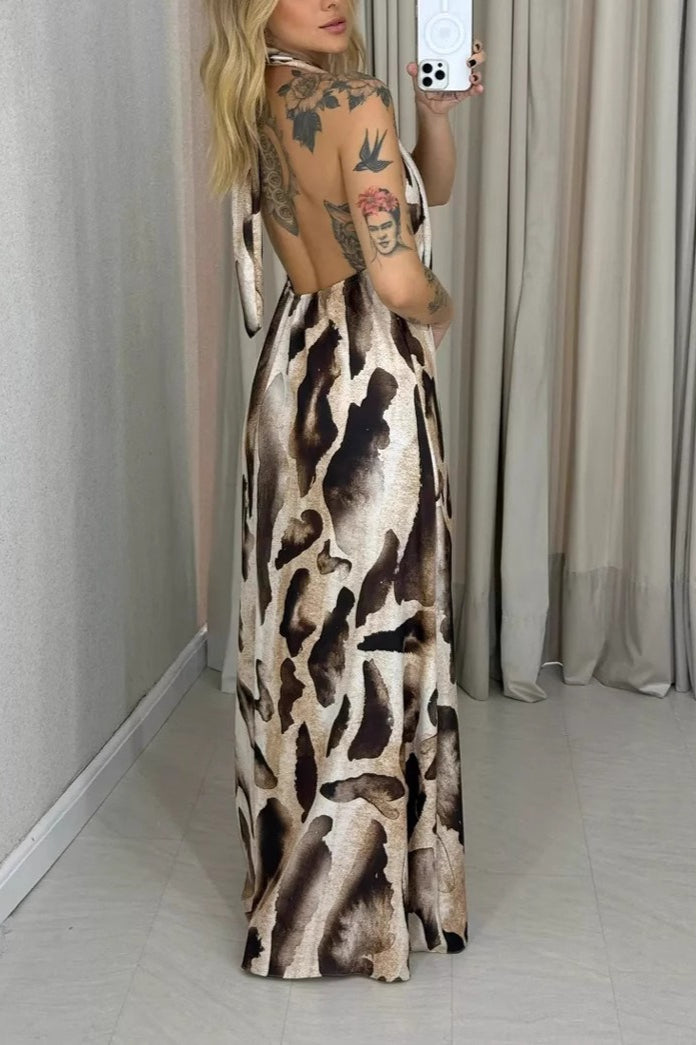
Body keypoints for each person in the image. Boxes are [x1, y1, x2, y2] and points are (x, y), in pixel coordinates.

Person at [200, 0, 485, 982]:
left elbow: (418, 190)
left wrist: (433, 119)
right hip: (369, 385)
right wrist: (442, 310)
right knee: (378, 639)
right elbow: (398, 279)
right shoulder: (350, 99)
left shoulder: (259, 99)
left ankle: (302, 884)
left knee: (310, 642)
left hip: (294, 377)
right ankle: (357, 911)